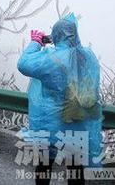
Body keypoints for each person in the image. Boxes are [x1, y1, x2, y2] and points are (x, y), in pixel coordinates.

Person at [17, 13, 102, 185]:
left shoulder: (50, 58)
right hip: (77, 124)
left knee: (44, 166)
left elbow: (23, 63)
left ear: (56, 36)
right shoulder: (89, 57)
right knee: (76, 170)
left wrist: (36, 42)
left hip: (49, 125)